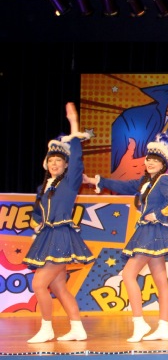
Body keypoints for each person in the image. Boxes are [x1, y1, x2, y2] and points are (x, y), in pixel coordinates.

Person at [83, 133, 168, 342]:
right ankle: (163, 327)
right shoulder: (145, 182)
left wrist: (158, 215)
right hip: (148, 232)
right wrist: (94, 180)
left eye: (155, 160)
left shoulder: (164, 179)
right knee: (160, 281)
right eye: (148, 159)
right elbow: (122, 186)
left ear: (163, 164)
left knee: (128, 274)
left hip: (153, 231)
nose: (150, 163)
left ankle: (140, 323)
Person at [24, 102, 95, 343]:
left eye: (59, 160)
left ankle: (47, 328)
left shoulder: (69, 183)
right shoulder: (43, 188)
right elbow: (37, 213)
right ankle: (77, 329)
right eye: (51, 160)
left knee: (38, 284)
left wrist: (73, 124)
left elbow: (77, 159)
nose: (54, 163)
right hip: (47, 237)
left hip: (61, 237)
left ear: (65, 165)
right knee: (58, 287)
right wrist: (36, 223)